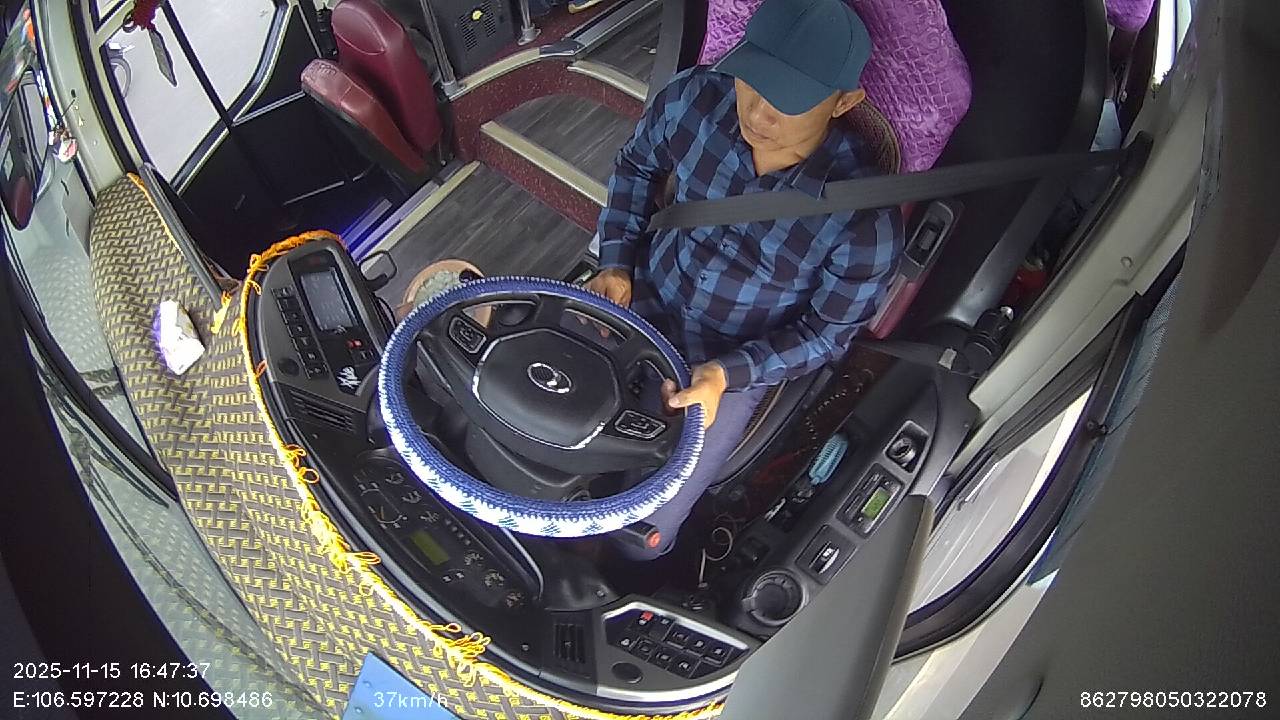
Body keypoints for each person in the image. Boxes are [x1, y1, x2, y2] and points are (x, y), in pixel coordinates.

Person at [586, 0, 903, 560]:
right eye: (753, 80)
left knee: (642, 527)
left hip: (733, 358)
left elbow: (826, 334)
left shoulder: (863, 219)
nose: (758, 113)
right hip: (643, 295)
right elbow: (635, 167)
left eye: (789, 99)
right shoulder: (693, 100)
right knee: (537, 413)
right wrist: (615, 261)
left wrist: (722, 374)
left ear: (845, 102)